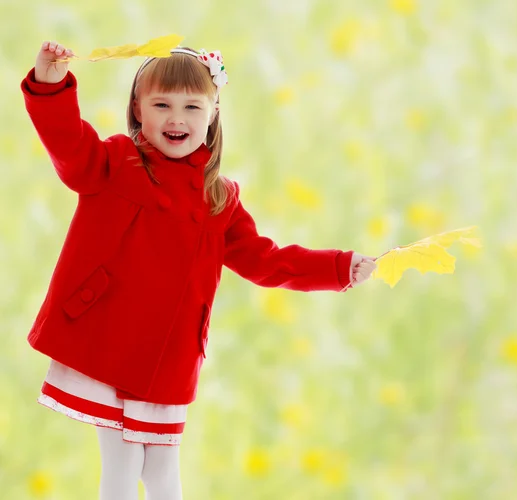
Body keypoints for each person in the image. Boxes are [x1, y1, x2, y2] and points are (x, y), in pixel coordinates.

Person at [22, 40, 377, 499]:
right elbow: (67, 142)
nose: (176, 118)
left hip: (171, 353)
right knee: (124, 459)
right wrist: (51, 85)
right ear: (138, 108)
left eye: (192, 106)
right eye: (162, 104)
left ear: (212, 113)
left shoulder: (220, 197)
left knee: (164, 466)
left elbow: (266, 260)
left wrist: (338, 267)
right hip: (108, 336)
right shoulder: (113, 162)